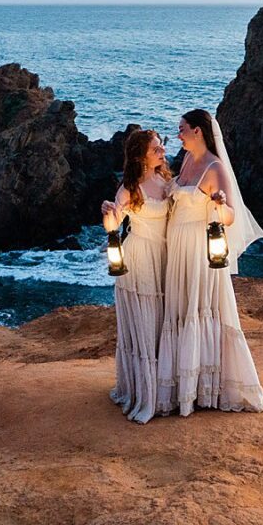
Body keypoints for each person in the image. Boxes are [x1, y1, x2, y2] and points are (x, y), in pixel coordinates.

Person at [157, 108, 263, 415]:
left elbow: (231, 215)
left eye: (182, 129)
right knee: (180, 309)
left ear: (198, 132)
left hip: (196, 247)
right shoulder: (188, 161)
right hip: (177, 245)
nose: (177, 134)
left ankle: (205, 387)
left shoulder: (215, 168)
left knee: (199, 308)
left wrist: (219, 205)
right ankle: (182, 384)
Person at [99, 128, 173, 423]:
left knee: (163, 321)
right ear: (142, 155)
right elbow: (113, 224)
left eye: (161, 147)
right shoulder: (130, 187)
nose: (162, 151)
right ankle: (145, 393)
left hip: (166, 256)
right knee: (145, 324)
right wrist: (108, 212)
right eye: (156, 148)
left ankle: (166, 388)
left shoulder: (165, 179)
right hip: (140, 257)